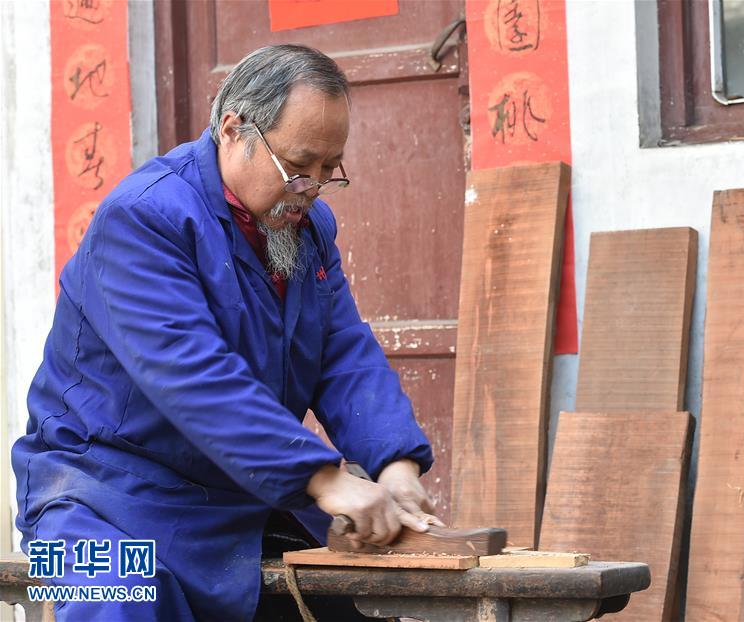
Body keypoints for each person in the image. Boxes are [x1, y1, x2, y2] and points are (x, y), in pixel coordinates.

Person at [12, 44, 439, 621]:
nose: (310, 188)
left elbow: (343, 354)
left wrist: (395, 466)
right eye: (298, 165)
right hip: (98, 491)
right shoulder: (142, 218)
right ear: (233, 129)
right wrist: (321, 477)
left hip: (240, 493)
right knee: (114, 599)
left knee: (348, 593)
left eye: (327, 170)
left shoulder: (307, 226)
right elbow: (193, 376)